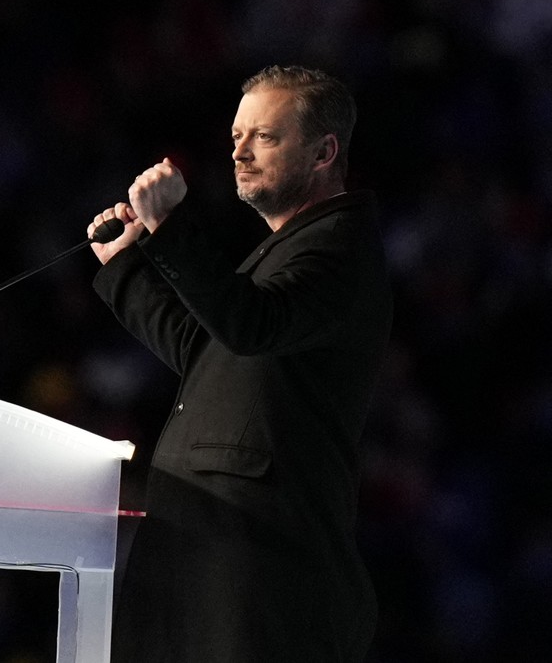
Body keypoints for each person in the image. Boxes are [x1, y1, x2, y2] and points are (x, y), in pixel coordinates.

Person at [87, 65, 392, 662]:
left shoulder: (340, 247)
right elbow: (207, 354)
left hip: (258, 571)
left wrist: (170, 227)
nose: (241, 153)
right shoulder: (288, 250)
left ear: (325, 151)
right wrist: (124, 268)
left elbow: (250, 326)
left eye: (265, 137)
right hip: (209, 557)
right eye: (235, 138)